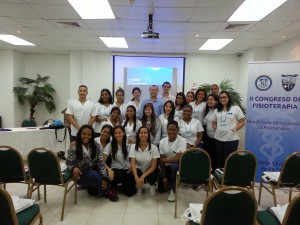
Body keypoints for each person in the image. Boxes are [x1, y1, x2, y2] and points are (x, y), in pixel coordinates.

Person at [65, 125, 118, 201]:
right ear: (80, 134)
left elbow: (100, 162)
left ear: (92, 135)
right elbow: (69, 163)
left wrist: (105, 178)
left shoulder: (96, 146)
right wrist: (74, 168)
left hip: (93, 169)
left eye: (89, 134)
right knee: (94, 175)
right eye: (84, 134)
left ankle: (99, 187)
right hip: (81, 173)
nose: (86, 136)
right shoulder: (73, 148)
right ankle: (107, 191)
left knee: (95, 189)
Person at [212, 91, 245, 168]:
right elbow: (213, 123)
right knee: (219, 160)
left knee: (229, 160)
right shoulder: (217, 110)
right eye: (221, 97)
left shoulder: (235, 108)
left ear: (228, 98)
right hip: (218, 139)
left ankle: (228, 178)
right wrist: (215, 127)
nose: (223, 99)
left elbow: (242, 122)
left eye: (225, 97)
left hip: (231, 139)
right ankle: (220, 177)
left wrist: (235, 129)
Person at [103, 125, 136, 197]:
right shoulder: (111, 144)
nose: (117, 135)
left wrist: (130, 170)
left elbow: (134, 160)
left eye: (119, 132)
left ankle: (125, 184)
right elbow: (102, 160)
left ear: (124, 133)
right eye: (115, 133)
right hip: (117, 170)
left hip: (128, 170)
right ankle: (114, 186)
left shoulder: (129, 144)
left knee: (129, 193)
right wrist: (108, 169)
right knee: (118, 175)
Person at [159, 121, 186, 202]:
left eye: (174, 130)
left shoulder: (182, 141)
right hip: (166, 167)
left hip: (177, 167)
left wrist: (163, 159)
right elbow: (161, 163)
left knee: (174, 166)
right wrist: (164, 179)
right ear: (167, 130)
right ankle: (169, 181)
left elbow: (177, 159)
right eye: (169, 129)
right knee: (161, 189)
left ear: (178, 130)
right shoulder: (162, 141)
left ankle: (173, 190)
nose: (171, 132)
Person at [129, 126, 160, 196]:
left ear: (148, 135)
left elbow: (153, 166)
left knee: (153, 174)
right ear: (138, 135)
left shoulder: (154, 148)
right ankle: (139, 186)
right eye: (141, 133)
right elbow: (133, 164)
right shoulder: (133, 147)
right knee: (132, 174)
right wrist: (137, 178)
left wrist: (143, 176)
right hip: (139, 169)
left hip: (150, 170)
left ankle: (151, 185)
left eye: (145, 133)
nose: (143, 135)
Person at [202, 94, 218, 171]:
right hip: (208, 136)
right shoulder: (208, 110)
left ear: (216, 101)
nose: (209, 101)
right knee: (209, 155)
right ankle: (210, 171)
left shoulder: (218, 110)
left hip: (216, 137)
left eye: (211, 99)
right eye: (208, 99)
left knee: (215, 156)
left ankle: (215, 172)